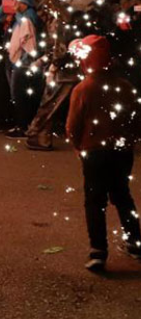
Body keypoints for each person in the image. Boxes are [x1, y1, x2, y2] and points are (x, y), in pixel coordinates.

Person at [65, 35, 141, 272]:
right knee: (122, 195)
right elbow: (136, 119)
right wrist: (130, 141)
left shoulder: (83, 89)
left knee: (95, 200)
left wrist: (78, 146)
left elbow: (72, 125)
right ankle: (135, 242)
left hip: (94, 152)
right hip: (121, 151)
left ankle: (98, 251)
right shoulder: (125, 87)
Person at [6, 0, 41, 138]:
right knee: (18, 94)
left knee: (19, 94)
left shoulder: (28, 17)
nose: (15, 4)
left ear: (26, 4)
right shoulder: (22, 17)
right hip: (22, 60)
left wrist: (15, 9)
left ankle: (23, 126)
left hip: (25, 61)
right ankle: (22, 125)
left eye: (19, 2)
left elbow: (26, 38)